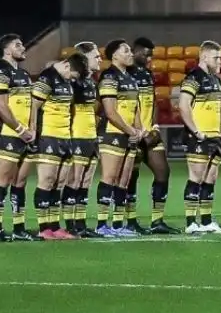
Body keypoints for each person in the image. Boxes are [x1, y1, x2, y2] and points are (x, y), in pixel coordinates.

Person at [28, 52, 90, 239]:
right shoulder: (47, 77)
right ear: (66, 65)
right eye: (72, 75)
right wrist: (32, 130)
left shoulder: (67, 82)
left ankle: (55, 227)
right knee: (47, 180)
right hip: (48, 136)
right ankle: (43, 228)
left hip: (65, 137)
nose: (72, 79)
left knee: (59, 183)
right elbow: (34, 105)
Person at [0, 34, 36, 241]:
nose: (23, 47)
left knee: (20, 182)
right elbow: (0, 104)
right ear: (7, 50)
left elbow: (32, 104)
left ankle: (19, 228)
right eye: (18, 45)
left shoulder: (24, 73)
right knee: (3, 181)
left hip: (27, 135)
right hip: (8, 134)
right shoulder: (0, 71)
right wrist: (20, 129)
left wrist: (32, 129)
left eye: (22, 44)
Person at [127, 37, 176, 234]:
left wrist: (155, 127)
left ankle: (157, 221)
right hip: (133, 134)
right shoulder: (126, 74)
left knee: (163, 172)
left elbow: (153, 102)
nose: (150, 59)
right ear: (136, 52)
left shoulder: (147, 74)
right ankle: (130, 221)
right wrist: (134, 131)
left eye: (151, 55)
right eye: (146, 54)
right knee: (131, 177)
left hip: (150, 133)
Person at [96, 40, 145, 236]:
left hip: (130, 135)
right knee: (110, 177)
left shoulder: (130, 78)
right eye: (126, 51)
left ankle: (117, 224)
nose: (130, 53)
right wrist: (130, 130)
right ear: (114, 55)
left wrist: (139, 129)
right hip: (112, 133)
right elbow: (110, 112)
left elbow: (135, 108)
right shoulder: (109, 77)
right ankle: (101, 224)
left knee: (124, 180)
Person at [180, 41, 221, 234]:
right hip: (199, 136)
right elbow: (183, 105)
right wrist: (196, 131)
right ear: (204, 56)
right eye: (216, 58)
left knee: (210, 179)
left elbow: (220, 105)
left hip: (215, 136)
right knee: (196, 178)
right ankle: (191, 222)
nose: (220, 61)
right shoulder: (193, 78)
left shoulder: (216, 79)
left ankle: (206, 221)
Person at [67, 41, 102, 236]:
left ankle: (80, 224)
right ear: (84, 58)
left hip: (91, 137)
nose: (99, 59)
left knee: (86, 181)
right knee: (74, 180)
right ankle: (70, 224)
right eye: (96, 56)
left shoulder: (92, 82)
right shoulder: (73, 83)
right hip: (77, 136)